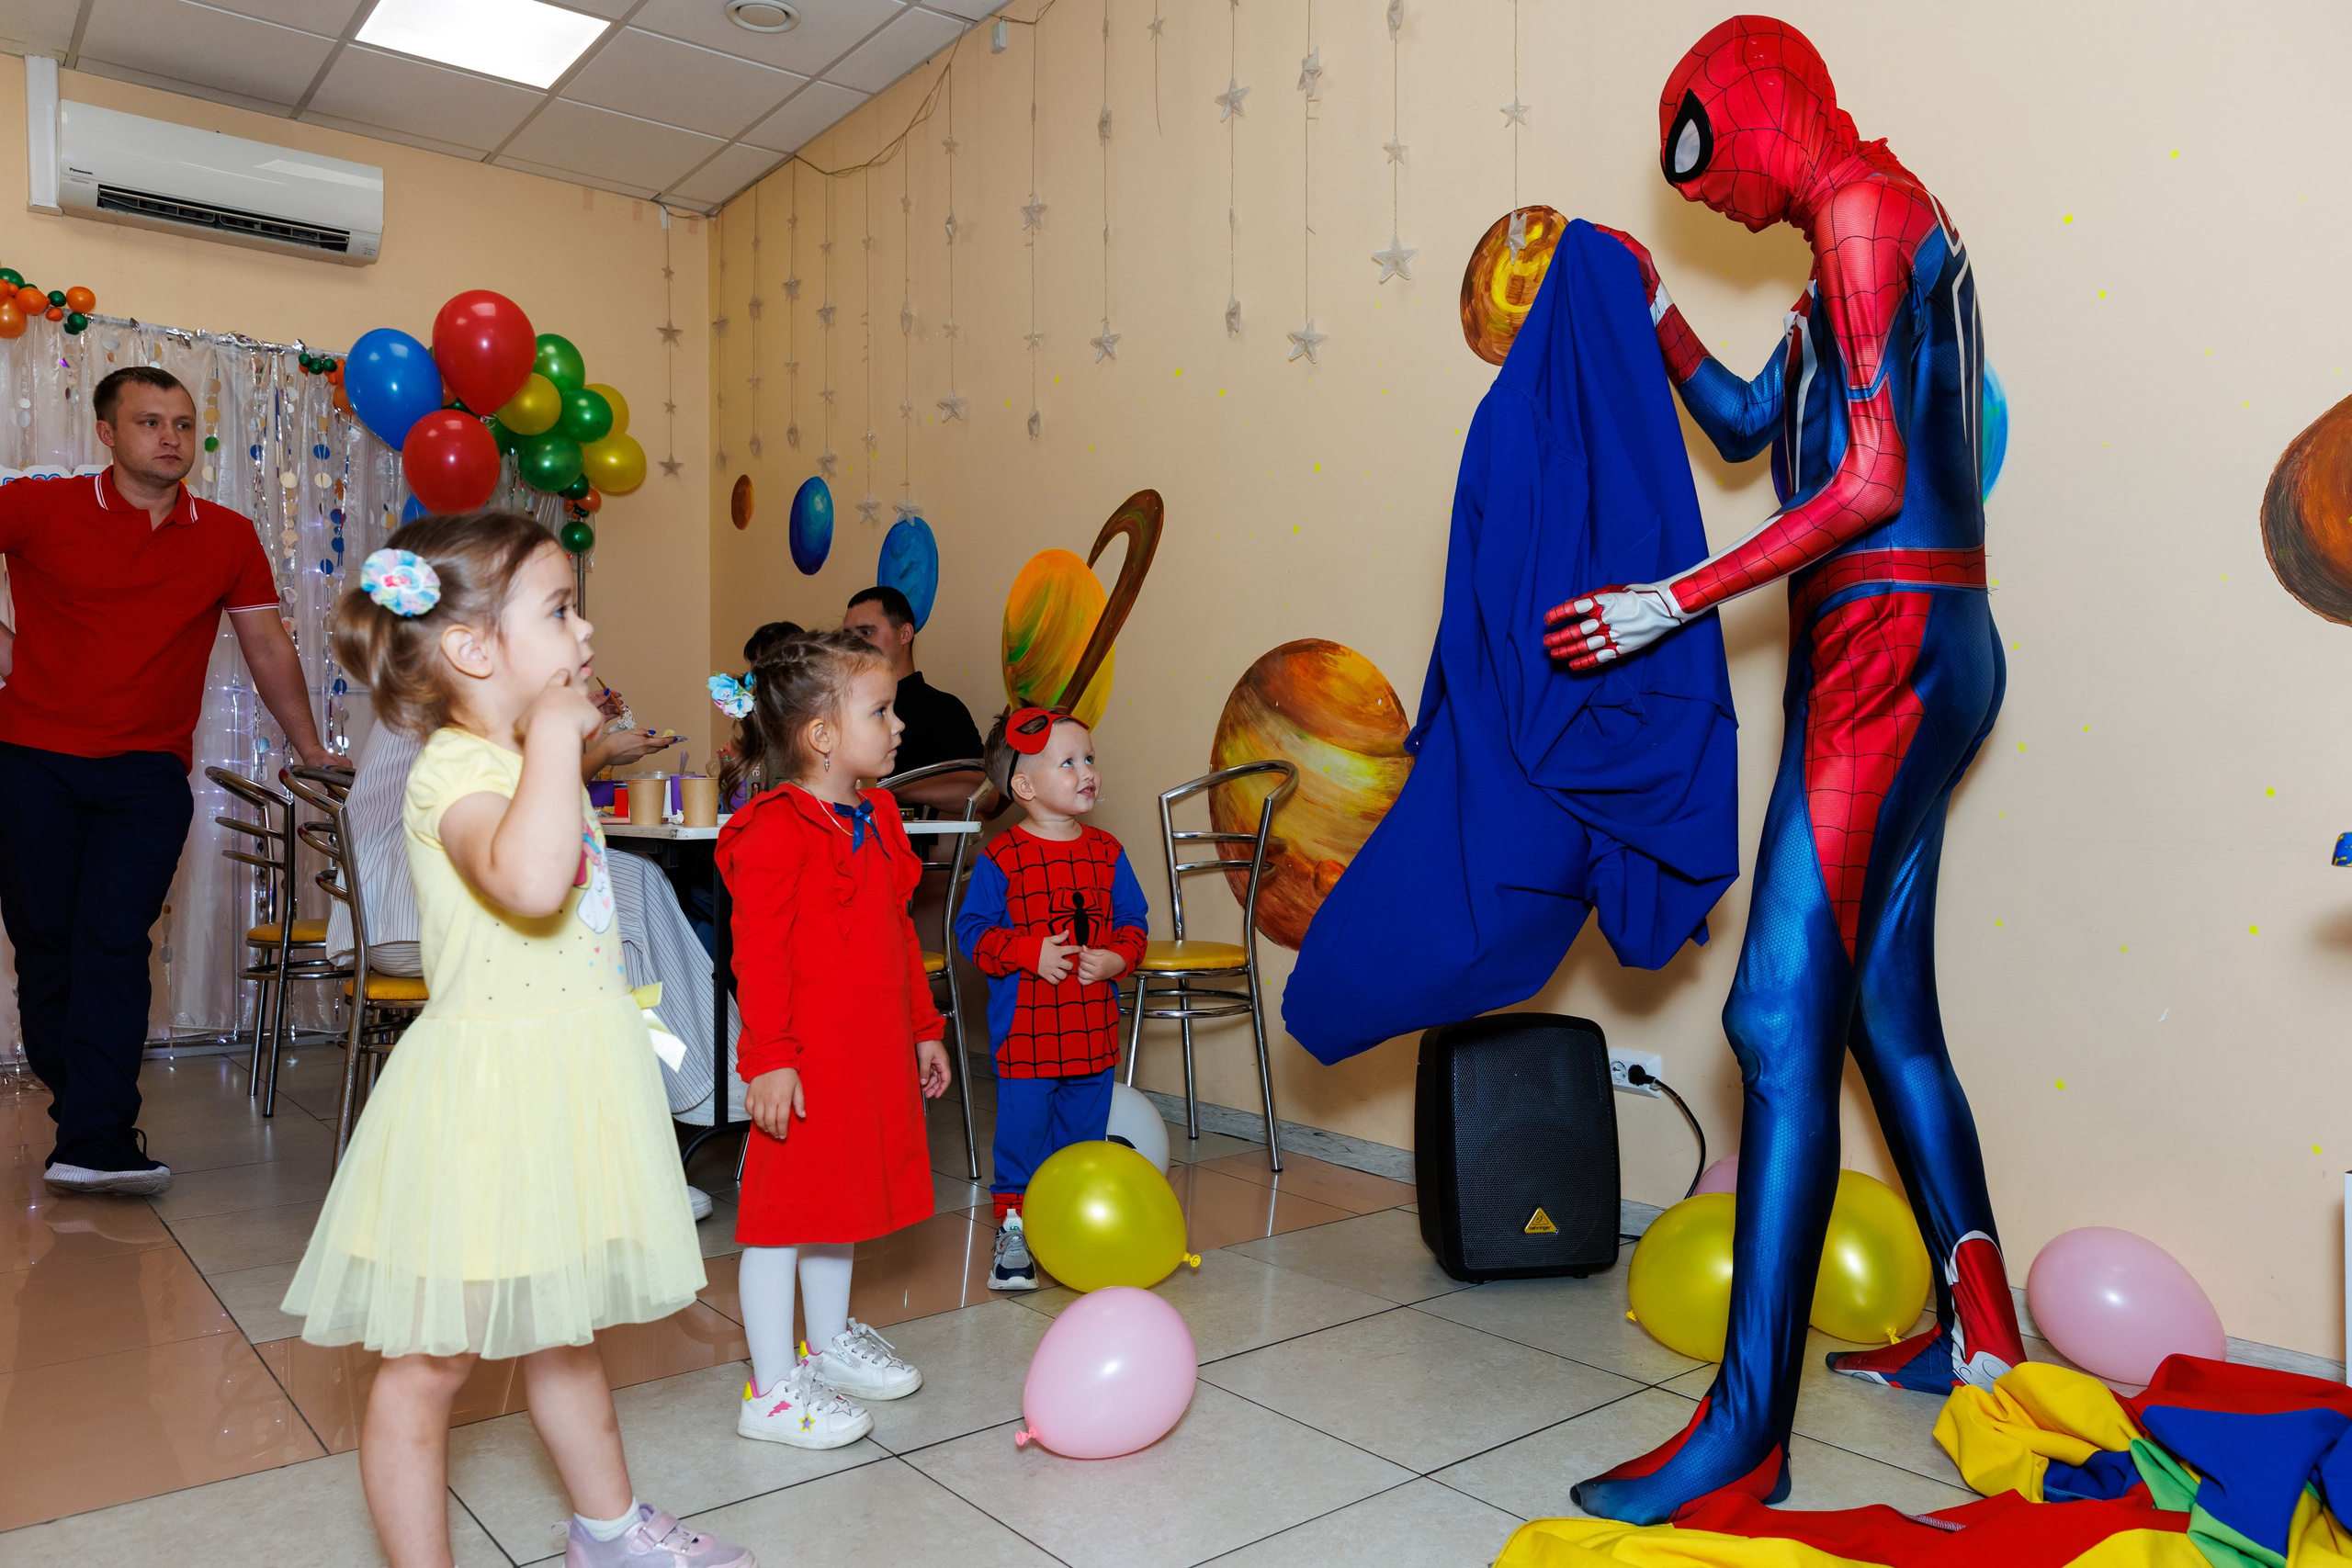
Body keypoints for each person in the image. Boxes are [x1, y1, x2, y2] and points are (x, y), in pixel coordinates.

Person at [1544, 17, 2026, 1524]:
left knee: (1771, 1012)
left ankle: (1748, 1430)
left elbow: (1870, 476)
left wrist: (1664, 605)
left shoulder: (1868, 210)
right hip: (1917, 639)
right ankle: (1985, 1335)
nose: (1719, 202)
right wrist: (1657, 311)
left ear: (1765, 109)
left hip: (1891, 638)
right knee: (1886, 1013)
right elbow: (1764, 427)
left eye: (1715, 162)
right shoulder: (1845, 251)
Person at [282, 515, 752, 1568]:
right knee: (429, 1365)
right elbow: (532, 885)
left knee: (564, 1328)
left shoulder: (517, 755)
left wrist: (565, 746)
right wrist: (555, 741)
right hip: (487, 1105)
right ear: (473, 650)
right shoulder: (451, 771)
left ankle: (610, 1529)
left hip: (565, 1084)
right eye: (558, 608)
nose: (585, 628)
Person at [0, 365, 333, 1197]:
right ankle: (83, 1110)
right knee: (46, 949)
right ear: (107, 434)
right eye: (151, 422)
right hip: (32, 761)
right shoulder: (42, 508)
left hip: (148, 773)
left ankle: (99, 1136)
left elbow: (265, 646)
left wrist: (310, 749)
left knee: (114, 943)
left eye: (183, 424)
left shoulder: (225, 534)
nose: (171, 437)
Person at [321, 693, 743, 1217]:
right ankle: (662, 1131)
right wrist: (601, 748)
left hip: (397, 911)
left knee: (630, 901)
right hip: (422, 914)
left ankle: (686, 1098)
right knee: (627, 900)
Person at [717, 630, 953, 1450]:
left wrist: (923, 1027)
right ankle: (773, 1386)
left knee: (838, 1202)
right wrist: (771, 1058)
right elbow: (760, 957)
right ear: (821, 736)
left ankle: (825, 1342)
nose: (897, 726)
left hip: (867, 1051)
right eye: (880, 711)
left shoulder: (878, 813)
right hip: (805, 1058)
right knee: (782, 1217)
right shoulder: (774, 829)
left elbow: (896, 932)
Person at [956, 706, 1148, 1292]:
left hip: (1092, 1036)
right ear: (1025, 786)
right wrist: (1026, 952)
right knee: (1022, 1140)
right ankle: (1014, 1229)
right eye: (1069, 762)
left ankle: (1073, 1227)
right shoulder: (1001, 858)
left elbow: (1134, 921)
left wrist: (1117, 957)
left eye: (1089, 758)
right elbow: (973, 932)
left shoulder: (1108, 853)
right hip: (1026, 1039)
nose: (1087, 770)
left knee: (1082, 1142)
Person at [842, 587, 984, 811]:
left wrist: (887, 790)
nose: (854, 645)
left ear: (905, 634)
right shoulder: (838, 708)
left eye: (867, 632)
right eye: (848, 637)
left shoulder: (940, 709)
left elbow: (982, 794)